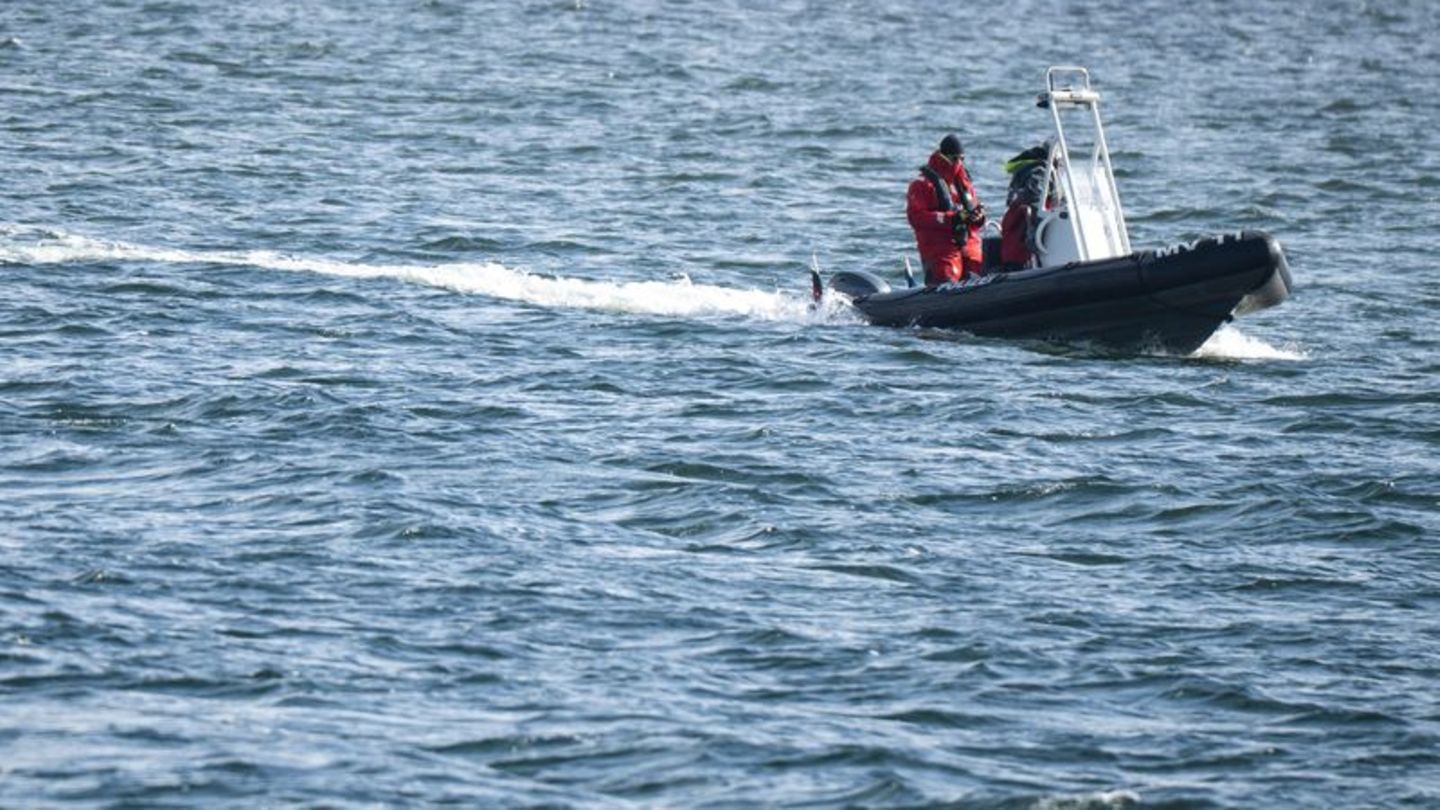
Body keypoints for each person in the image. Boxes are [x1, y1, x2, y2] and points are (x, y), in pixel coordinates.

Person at [906, 133, 986, 285]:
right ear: (944, 156)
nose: (958, 163)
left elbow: (973, 214)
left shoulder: (964, 184)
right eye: (954, 159)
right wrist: (952, 218)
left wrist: (978, 217)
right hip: (940, 250)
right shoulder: (921, 185)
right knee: (946, 276)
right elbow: (916, 217)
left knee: (981, 269)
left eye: (961, 159)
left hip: (969, 247)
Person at [998, 142, 1056, 270]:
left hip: (1013, 244)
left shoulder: (1026, 172)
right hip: (1021, 247)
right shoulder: (1040, 172)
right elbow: (1036, 201)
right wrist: (1035, 235)